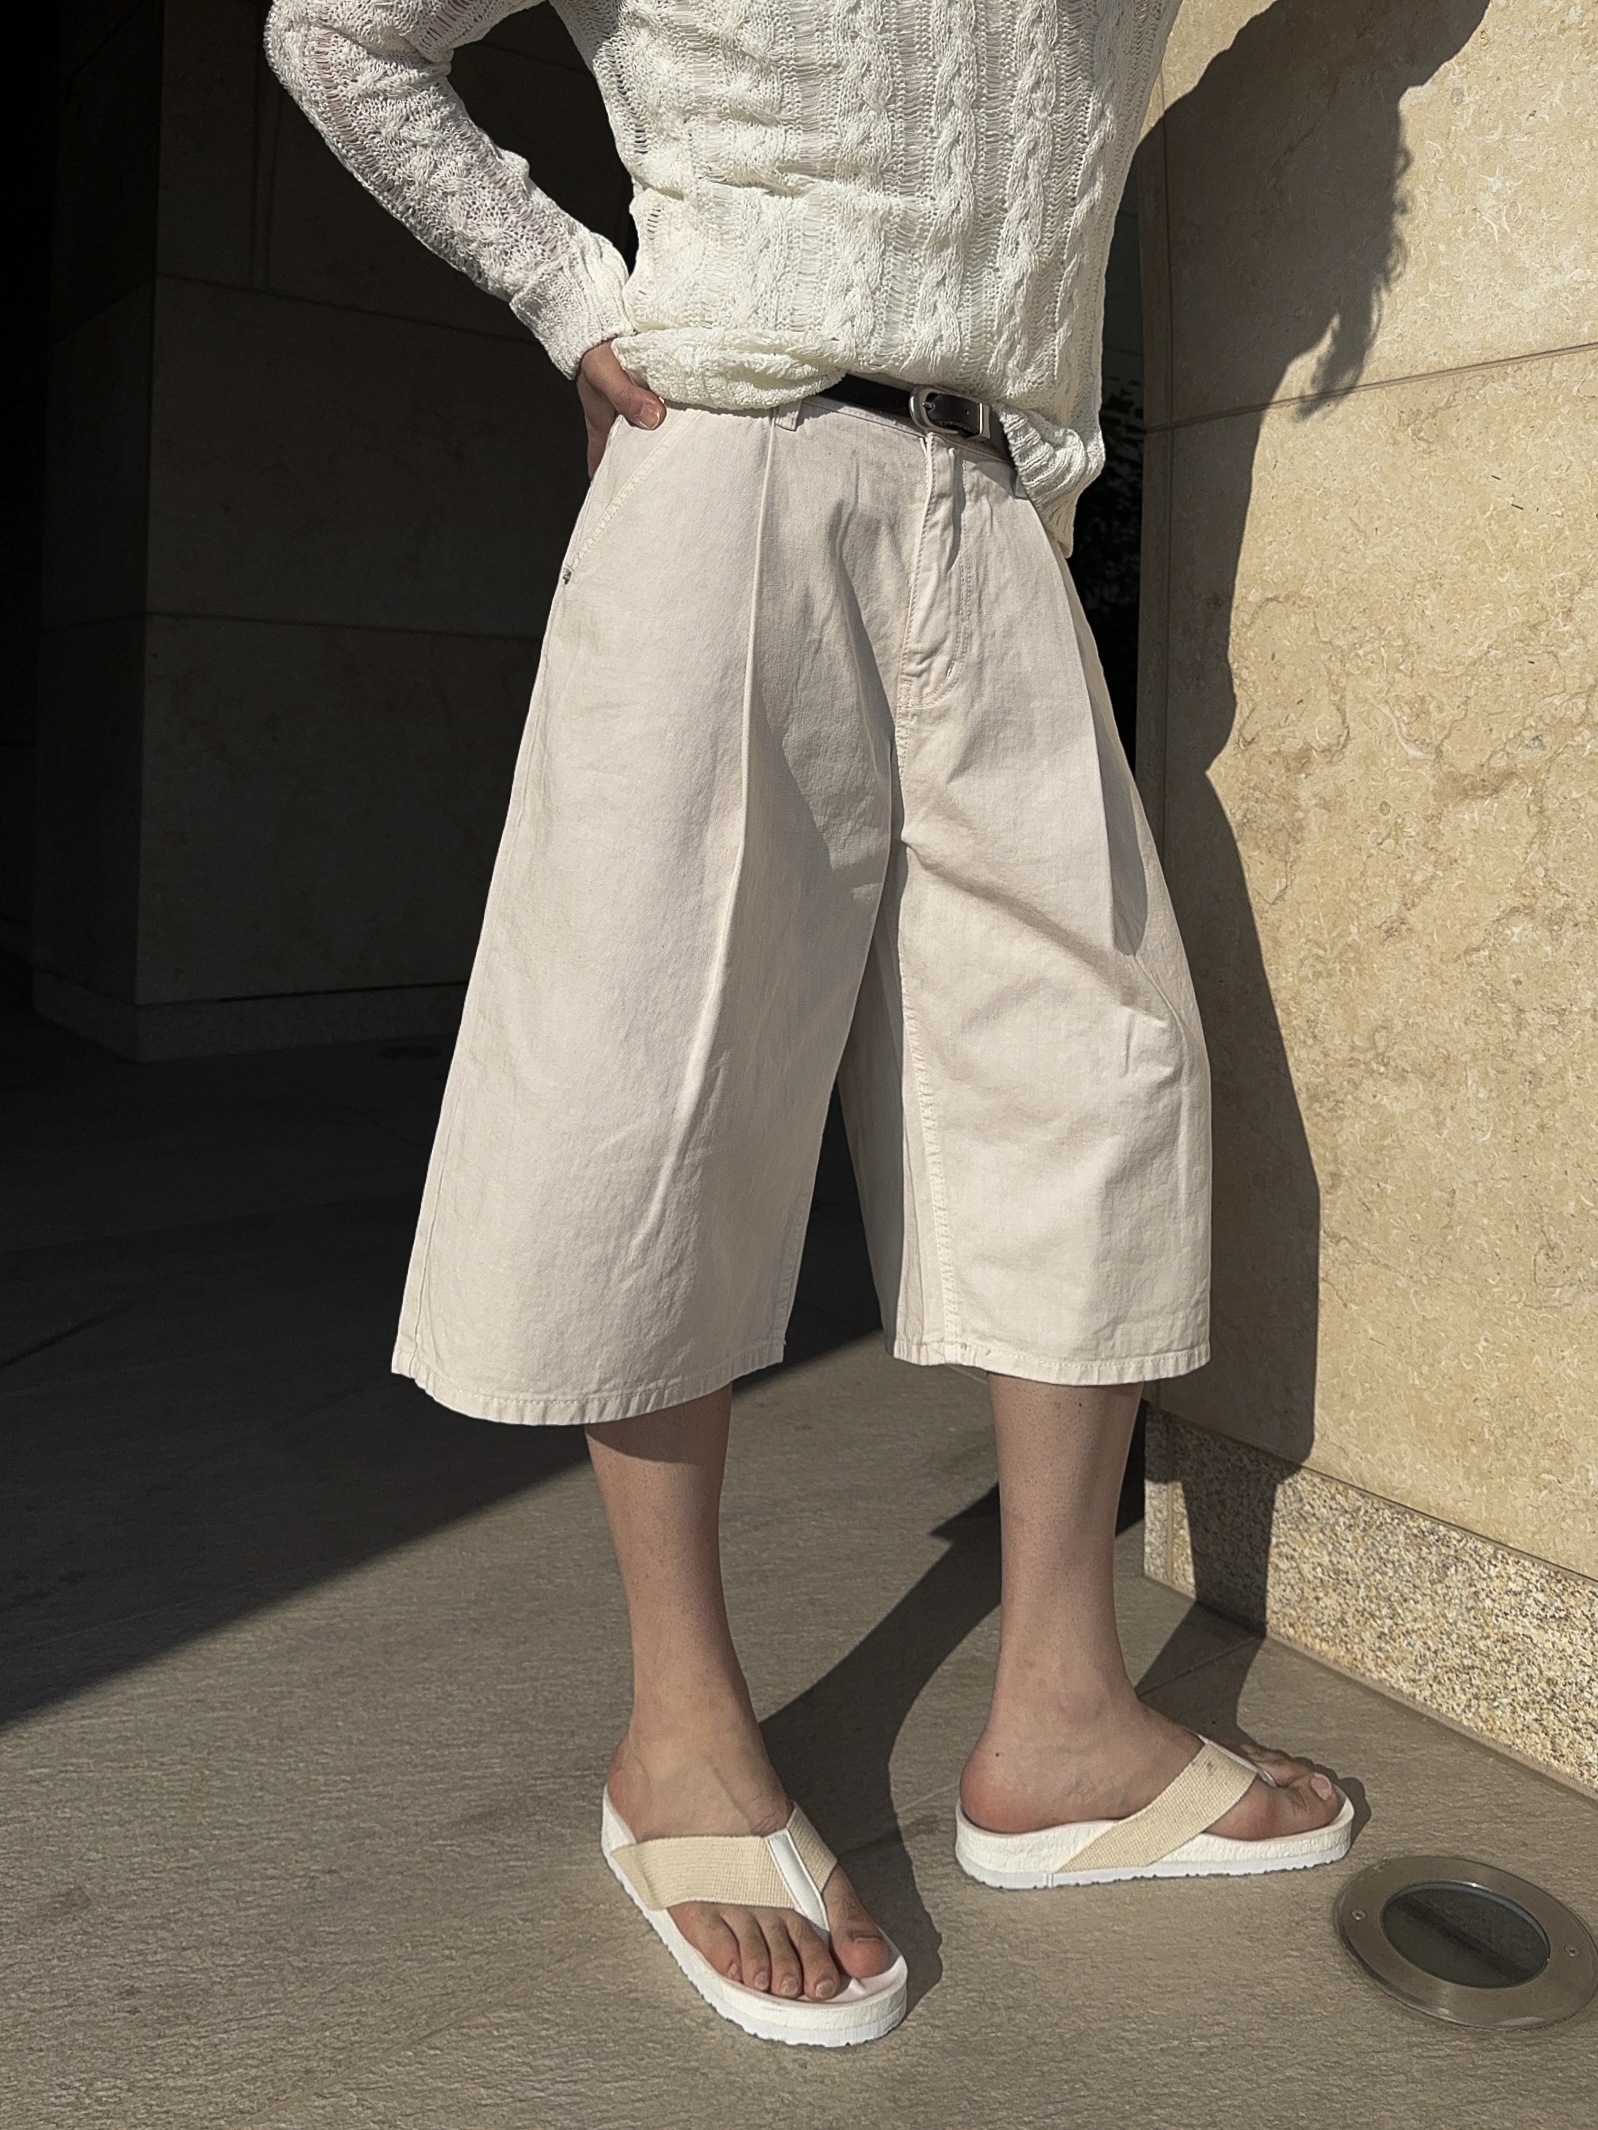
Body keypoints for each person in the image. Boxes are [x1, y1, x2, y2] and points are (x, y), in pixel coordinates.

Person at [266, 0, 1350, 2048]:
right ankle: (679, 1733)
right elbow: (336, 32)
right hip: (732, 456)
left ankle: (1060, 1718)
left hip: (996, 513)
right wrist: (568, 291)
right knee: (659, 1076)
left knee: (1095, 1076)